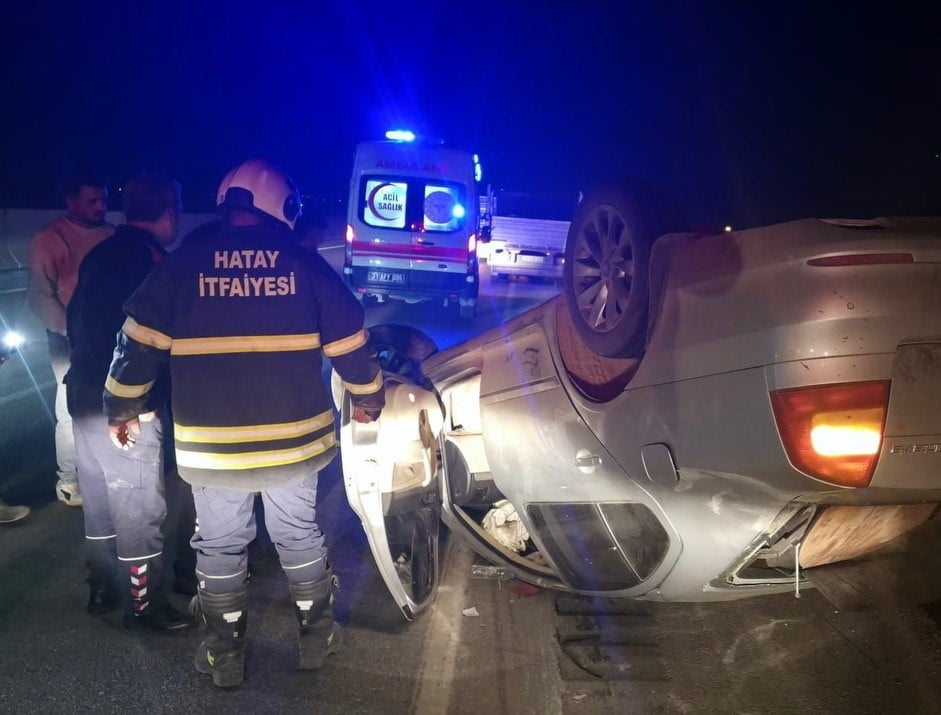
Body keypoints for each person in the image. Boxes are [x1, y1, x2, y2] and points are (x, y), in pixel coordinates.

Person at [103, 159, 385, 688]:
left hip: (212, 449)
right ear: (285, 206)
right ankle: (316, 637)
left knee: (219, 544)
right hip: (294, 445)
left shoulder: (182, 265)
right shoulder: (304, 264)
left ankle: (224, 654)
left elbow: (135, 347)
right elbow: (352, 345)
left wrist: (121, 410)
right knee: (299, 535)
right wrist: (370, 400)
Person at [66, 174, 193, 630]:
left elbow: (74, 318)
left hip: (81, 392)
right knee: (140, 510)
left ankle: (101, 587)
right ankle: (144, 607)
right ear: (170, 212)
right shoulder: (156, 262)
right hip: (128, 406)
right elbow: (162, 341)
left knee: (99, 503)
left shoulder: (100, 253)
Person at [28, 174, 115, 506]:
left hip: (109, 336)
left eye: (103, 200)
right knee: (71, 408)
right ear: (70, 200)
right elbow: (40, 296)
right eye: (92, 200)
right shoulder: (50, 238)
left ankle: (106, 470)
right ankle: (69, 480)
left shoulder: (109, 235)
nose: (100, 207)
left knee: (111, 403)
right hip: (69, 339)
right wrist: (71, 329)